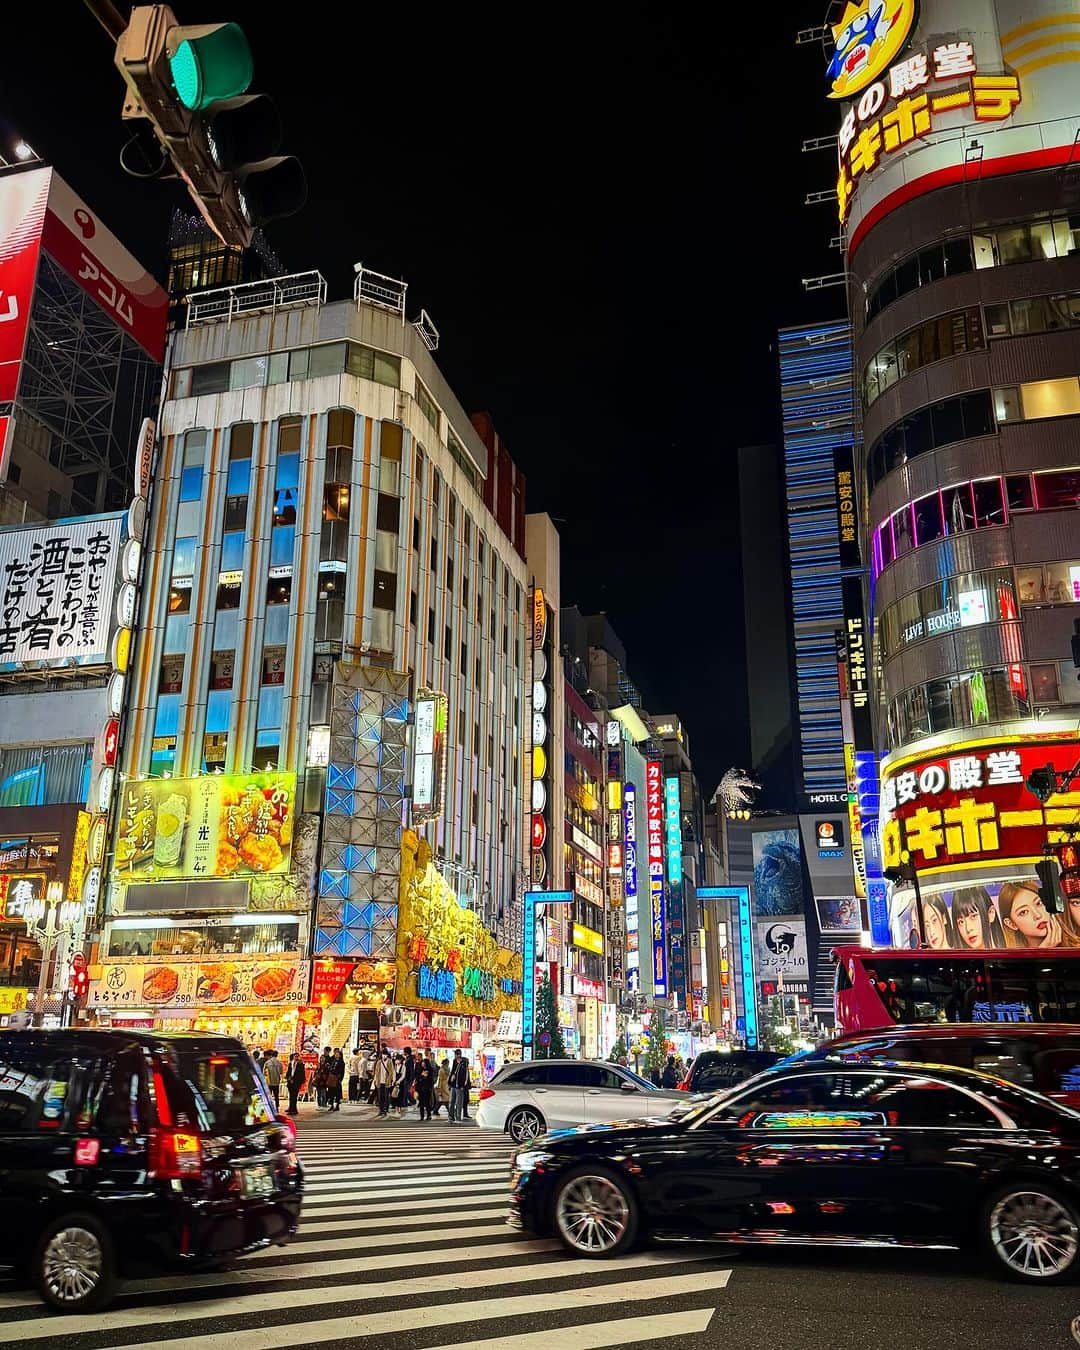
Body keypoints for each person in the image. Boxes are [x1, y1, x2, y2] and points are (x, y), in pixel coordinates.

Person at [999, 881, 1076, 948]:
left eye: (1039, 903)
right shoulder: (1011, 961)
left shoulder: (1076, 947)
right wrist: (1042, 952)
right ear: (1011, 924)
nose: (1038, 915)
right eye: (1023, 912)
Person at [448, 1049, 469, 1123]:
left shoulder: (464, 1062)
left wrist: (463, 1085)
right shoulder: (454, 1061)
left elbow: (466, 1075)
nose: (456, 1056)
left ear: (459, 1054)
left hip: (460, 1086)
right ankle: (451, 1117)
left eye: (457, 1054)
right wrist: (450, 1083)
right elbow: (452, 1072)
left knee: (458, 1103)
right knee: (452, 1102)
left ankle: (458, 1118)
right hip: (453, 1085)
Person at [415, 1049, 435, 1121]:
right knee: (421, 1103)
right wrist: (421, 1075)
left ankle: (429, 1115)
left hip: (427, 1089)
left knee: (427, 1103)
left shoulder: (430, 1070)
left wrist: (426, 1077)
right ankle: (422, 1116)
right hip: (421, 1089)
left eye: (424, 1063)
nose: (423, 1064)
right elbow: (417, 1077)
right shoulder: (420, 1069)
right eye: (422, 1063)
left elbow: (431, 1080)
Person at [373, 1049, 393, 1117]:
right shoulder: (379, 1062)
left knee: (386, 1096)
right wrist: (375, 1080)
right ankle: (381, 1110)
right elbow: (376, 1072)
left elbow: (391, 1072)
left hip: (386, 1082)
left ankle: (386, 1109)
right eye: (383, 1054)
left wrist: (391, 1080)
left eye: (385, 1054)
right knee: (380, 1097)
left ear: (387, 1055)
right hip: (379, 1081)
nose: (384, 1056)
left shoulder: (390, 1062)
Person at [328, 1047, 345, 1111]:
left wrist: (340, 1079)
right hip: (331, 1079)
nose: (336, 1055)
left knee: (337, 1093)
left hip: (337, 1079)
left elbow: (342, 1071)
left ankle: (337, 1105)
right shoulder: (333, 1061)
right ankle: (331, 1105)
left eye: (337, 1054)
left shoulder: (341, 1063)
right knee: (331, 1092)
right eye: (335, 1054)